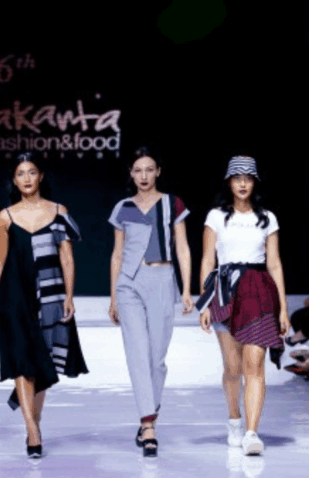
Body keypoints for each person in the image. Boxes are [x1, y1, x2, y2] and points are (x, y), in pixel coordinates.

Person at [0, 152, 88, 459]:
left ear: (41, 176)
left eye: (32, 172)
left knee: (42, 362)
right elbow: (2, 261)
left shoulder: (59, 211)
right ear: (14, 180)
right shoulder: (5, 216)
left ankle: (35, 421)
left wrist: (69, 296)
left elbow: (67, 258)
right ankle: (32, 431)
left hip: (51, 294)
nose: (26, 178)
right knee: (22, 360)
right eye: (20, 173)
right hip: (15, 295)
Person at [197, 156, 290, 456]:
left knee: (255, 364)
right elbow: (207, 260)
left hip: (259, 292)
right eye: (237, 177)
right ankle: (234, 419)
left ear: (255, 182)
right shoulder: (215, 217)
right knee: (233, 367)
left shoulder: (267, 218)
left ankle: (252, 432)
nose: (242, 183)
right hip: (225, 292)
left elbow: (274, 264)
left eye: (248, 178)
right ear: (229, 182)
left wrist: (283, 308)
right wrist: (204, 303)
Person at [107, 147, 193, 458]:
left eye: (149, 169)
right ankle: (148, 425)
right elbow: (117, 254)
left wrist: (187, 290)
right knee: (138, 355)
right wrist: (114, 297)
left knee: (156, 359)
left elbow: (182, 248)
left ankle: (150, 411)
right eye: (137, 170)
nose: (143, 175)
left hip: (162, 279)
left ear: (158, 172)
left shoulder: (172, 203)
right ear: (131, 174)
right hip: (129, 284)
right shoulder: (124, 207)